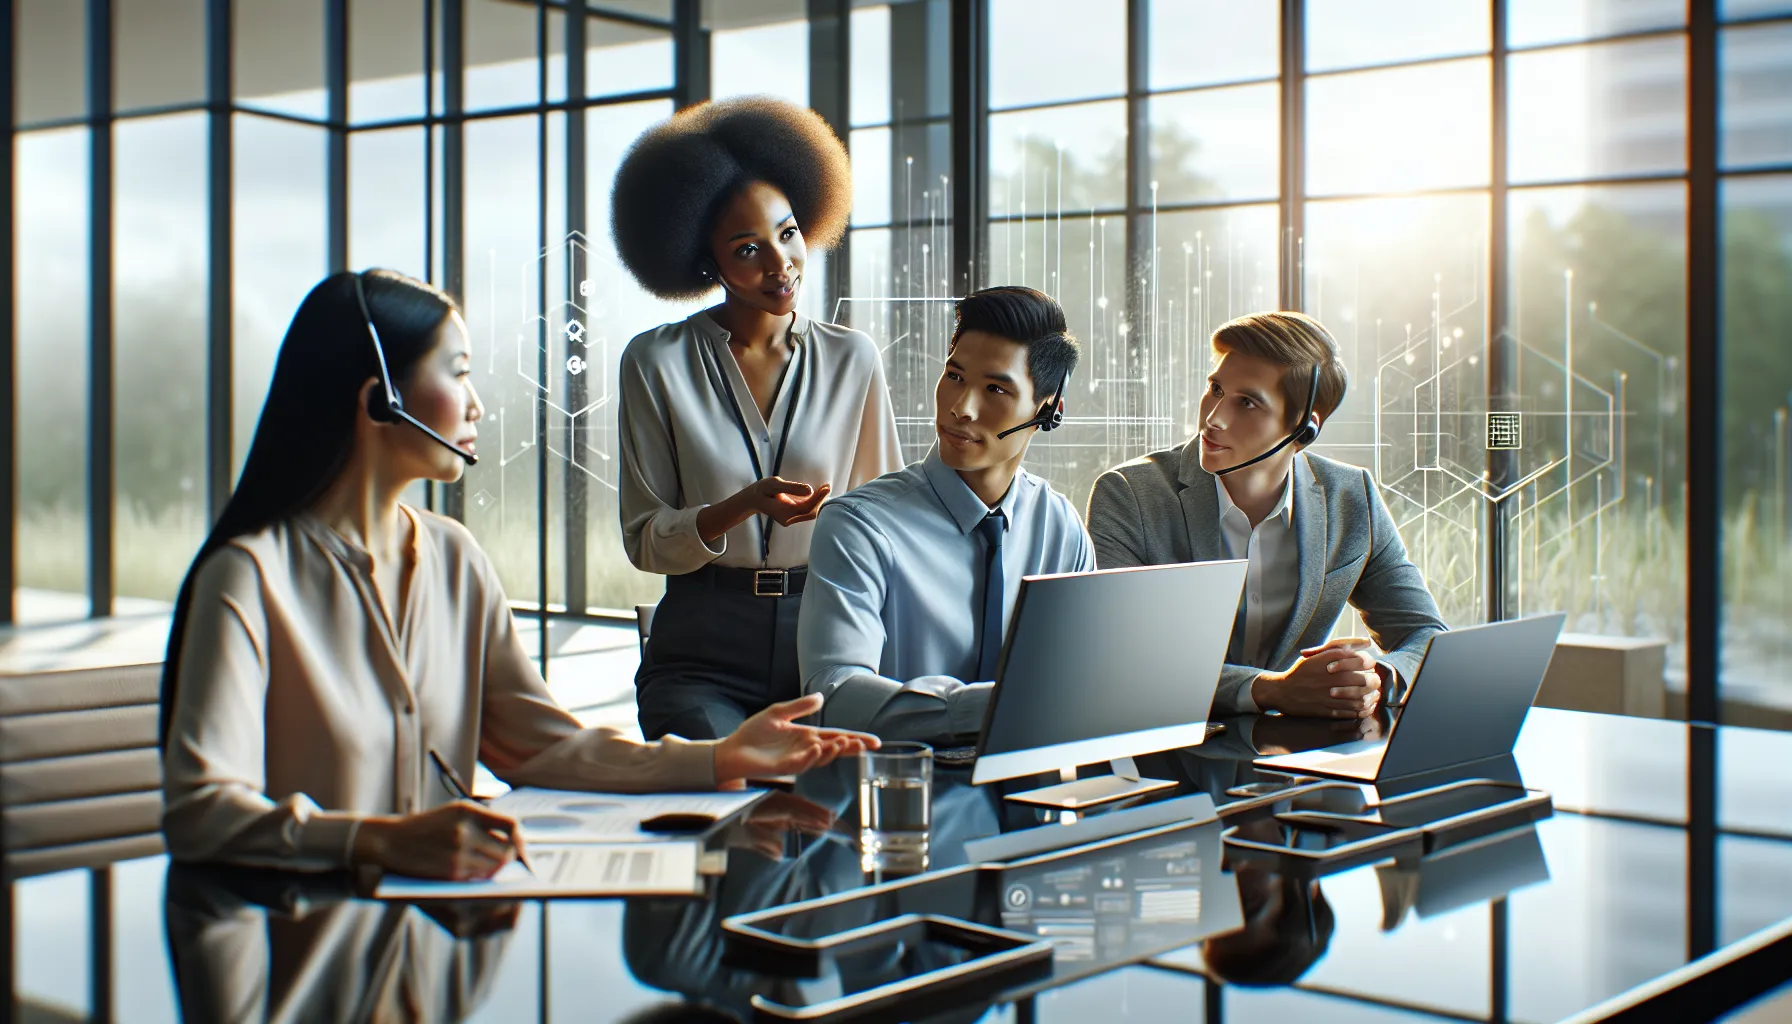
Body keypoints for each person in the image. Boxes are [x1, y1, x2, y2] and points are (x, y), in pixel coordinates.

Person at [158, 269, 877, 879]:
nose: (476, 405)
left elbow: (540, 747)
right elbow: (199, 814)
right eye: (459, 373)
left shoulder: (452, 559)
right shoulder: (248, 579)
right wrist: (373, 839)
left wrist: (719, 757)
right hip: (296, 946)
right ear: (380, 397)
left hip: (434, 954)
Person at [611, 97, 904, 742]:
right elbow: (645, 540)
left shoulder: (852, 358)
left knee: (831, 821)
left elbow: (886, 519)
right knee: (725, 806)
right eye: (748, 248)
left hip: (829, 635)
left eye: (789, 231)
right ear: (704, 259)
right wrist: (740, 506)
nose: (781, 264)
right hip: (701, 646)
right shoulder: (656, 362)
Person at [1085, 311, 1446, 720]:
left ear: (1303, 429)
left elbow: (1426, 635)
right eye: (1216, 389)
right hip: (1166, 756)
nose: (1213, 418)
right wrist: (1269, 690)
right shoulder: (1130, 495)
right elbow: (1119, 656)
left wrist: (1374, 677)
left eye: (1247, 402)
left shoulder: (1351, 497)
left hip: (1296, 757)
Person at [798, 286, 1094, 744]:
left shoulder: (1061, 529)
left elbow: (1083, 679)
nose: (961, 408)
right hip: (900, 792)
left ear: (1047, 410)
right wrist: (994, 707)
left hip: (1038, 796)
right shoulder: (857, 526)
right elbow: (835, 696)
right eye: (954, 377)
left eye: (995, 388)